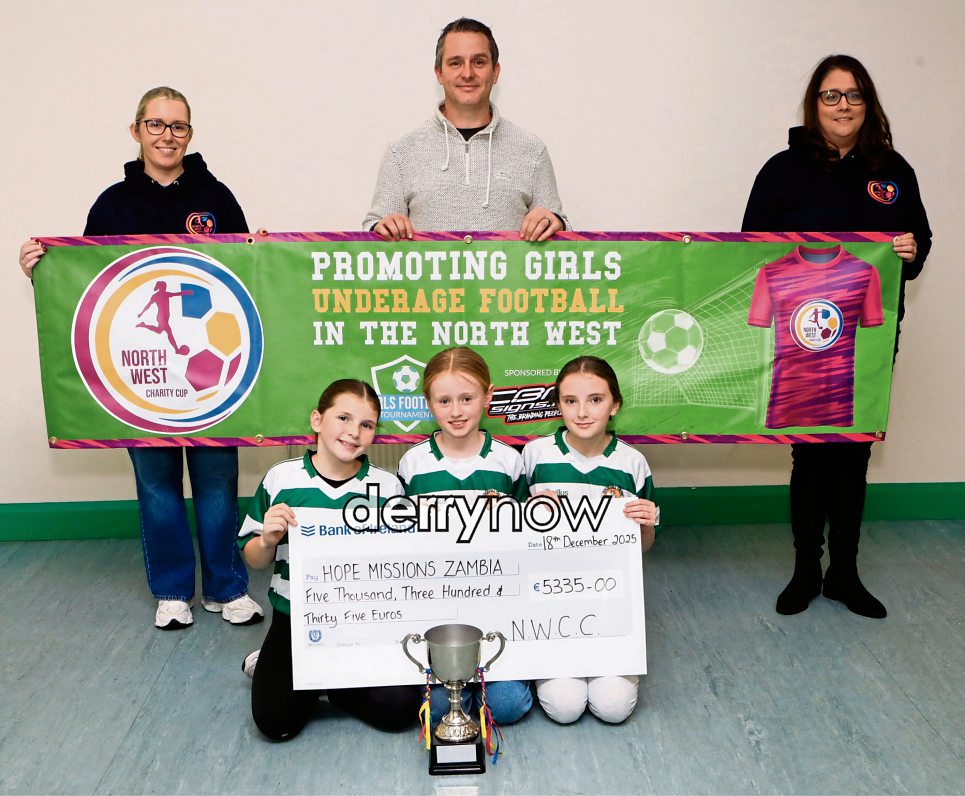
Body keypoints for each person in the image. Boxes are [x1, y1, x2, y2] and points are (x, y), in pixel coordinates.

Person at [18, 87, 262, 630]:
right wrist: (43, 270)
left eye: (178, 126)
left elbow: (249, 272)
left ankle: (226, 588)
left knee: (218, 479)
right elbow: (86, 284)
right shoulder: (112, 204)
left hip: (211, 374)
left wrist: (266, 251)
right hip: (140, 374)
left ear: (190, 134)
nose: (167, 136)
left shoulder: (218, 198)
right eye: (156, 125)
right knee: (156, 484)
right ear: (136, 131)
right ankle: (172, 591)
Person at [742, 55, 931, 619]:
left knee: (853, 453)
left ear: (867, 103)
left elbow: (919, 244)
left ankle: (844, 573)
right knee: (809, 454)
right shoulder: (782, 171)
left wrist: (909, 251)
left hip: (867, 338)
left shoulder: (893, 170)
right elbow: (749, 250)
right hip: (801, 343)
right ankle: (806, 570)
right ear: (814, 104)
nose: (842, 105)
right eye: (831, 95)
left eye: (853, 95)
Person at [239, 380, 422, 740]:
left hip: (364, 621)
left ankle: (325, 686)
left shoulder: (388, 488)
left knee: (400, 710)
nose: (354, 432)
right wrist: (267, 540)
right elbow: (254, 559)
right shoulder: (281, 478)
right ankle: (276, 666)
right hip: (295, 620)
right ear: (317, 420)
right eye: (343, 418)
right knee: (275, 723)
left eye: (367, 425)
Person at [396, 347, 532, 726]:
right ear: (429, 403)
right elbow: (401, 544)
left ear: (488, 397)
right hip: (437, 606)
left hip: (497, 603)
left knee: (506, 707)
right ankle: (458, 686)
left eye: (467, 399)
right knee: (439, 710)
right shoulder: (413, 463)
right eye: (444, 401)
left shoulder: (508, 461)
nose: (456, 411)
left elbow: (528, 539)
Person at [522, 356, 658, 723]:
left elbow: (643, 547)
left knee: (613, 707)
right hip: (548, 602)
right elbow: (514, 536)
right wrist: (529, 514)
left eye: (595, 400)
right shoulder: (535, 456)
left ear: (614, 406)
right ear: (558, 405)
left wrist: (646, 526)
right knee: (564, 707)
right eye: (571, 401)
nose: (582, 412)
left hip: (610, 602)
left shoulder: (632, 462)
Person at [363, 17, 568, 241]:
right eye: (455, 63)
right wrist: (380, 227)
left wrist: (555, 222)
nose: (468, 73)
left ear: (495, 72)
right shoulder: (401, 152)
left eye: (479, 62)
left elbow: (562, 238)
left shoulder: (532, 150)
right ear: (439, 74)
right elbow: (373, 231)